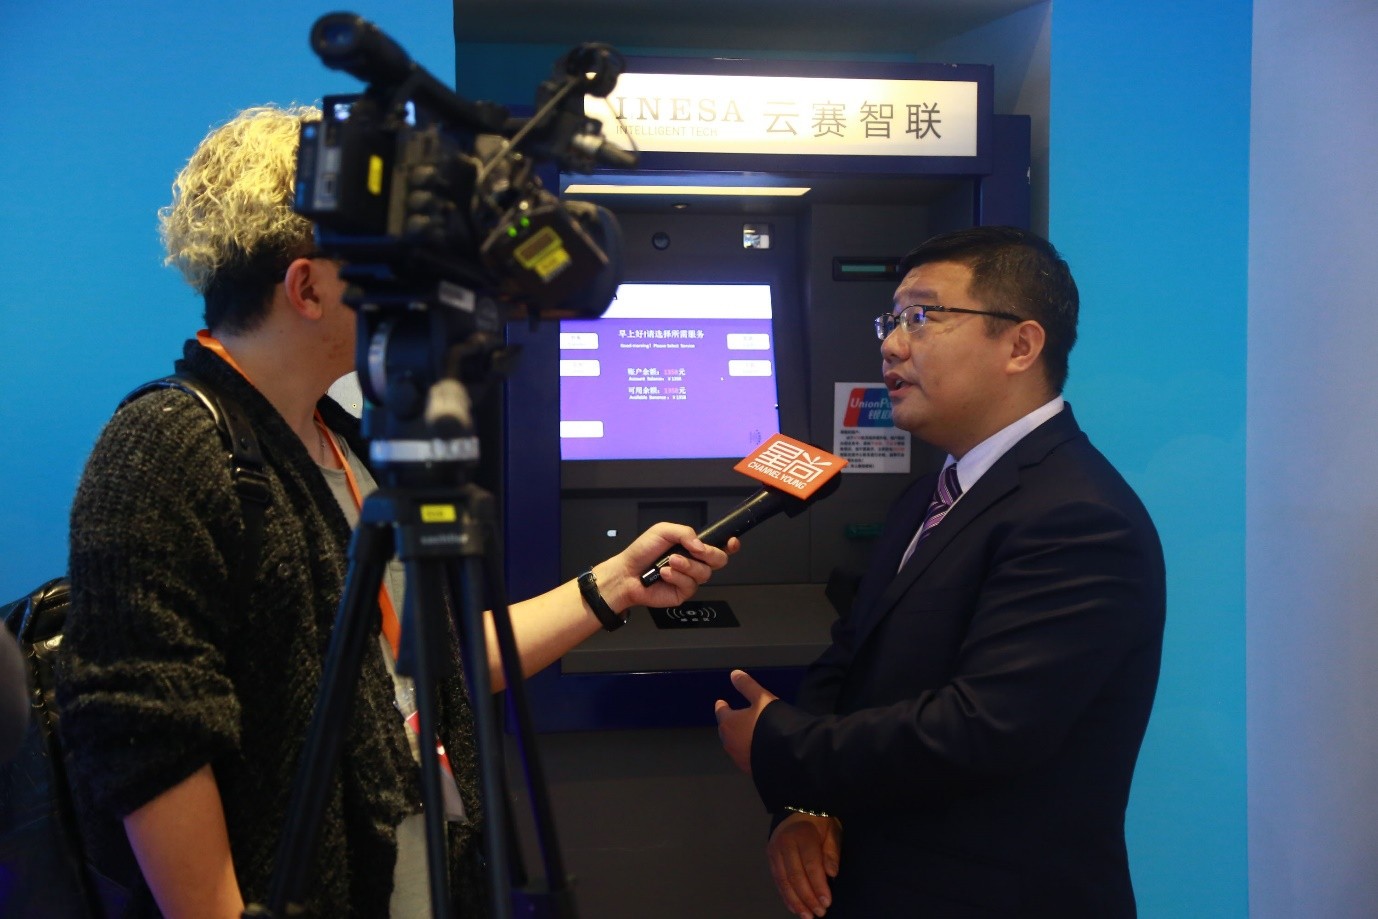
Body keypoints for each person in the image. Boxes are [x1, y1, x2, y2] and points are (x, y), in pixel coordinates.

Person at [55, 104, 733, 919]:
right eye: (385, 260)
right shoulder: (167, 445)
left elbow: (435, 664)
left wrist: (611, 584)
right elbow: (145, 740)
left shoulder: (344, 442)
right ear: (306, 287)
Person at [715, 226, 1165, 918]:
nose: (892, 345)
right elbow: (851, 659)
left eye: (922, 317)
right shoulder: (930, 495)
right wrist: (806, 806)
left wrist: (782, 745)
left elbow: (982, 729)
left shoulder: (1078, 516)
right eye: (891, 320)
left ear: (1021, 346)